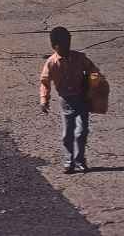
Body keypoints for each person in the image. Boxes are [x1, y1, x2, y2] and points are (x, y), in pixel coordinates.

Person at [40, 26, 100, 173]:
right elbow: (45, 82)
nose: (67, 47)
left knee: (82, 131)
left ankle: (80, 160)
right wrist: (44, 100)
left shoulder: (80, 58)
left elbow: (93, 70)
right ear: (54, 46)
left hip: (82, 97)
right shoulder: (51, 63)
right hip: (66, 100)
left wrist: (93, 84)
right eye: (63, 45)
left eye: (68, 43)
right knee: (68, 134)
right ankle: (69, 161)